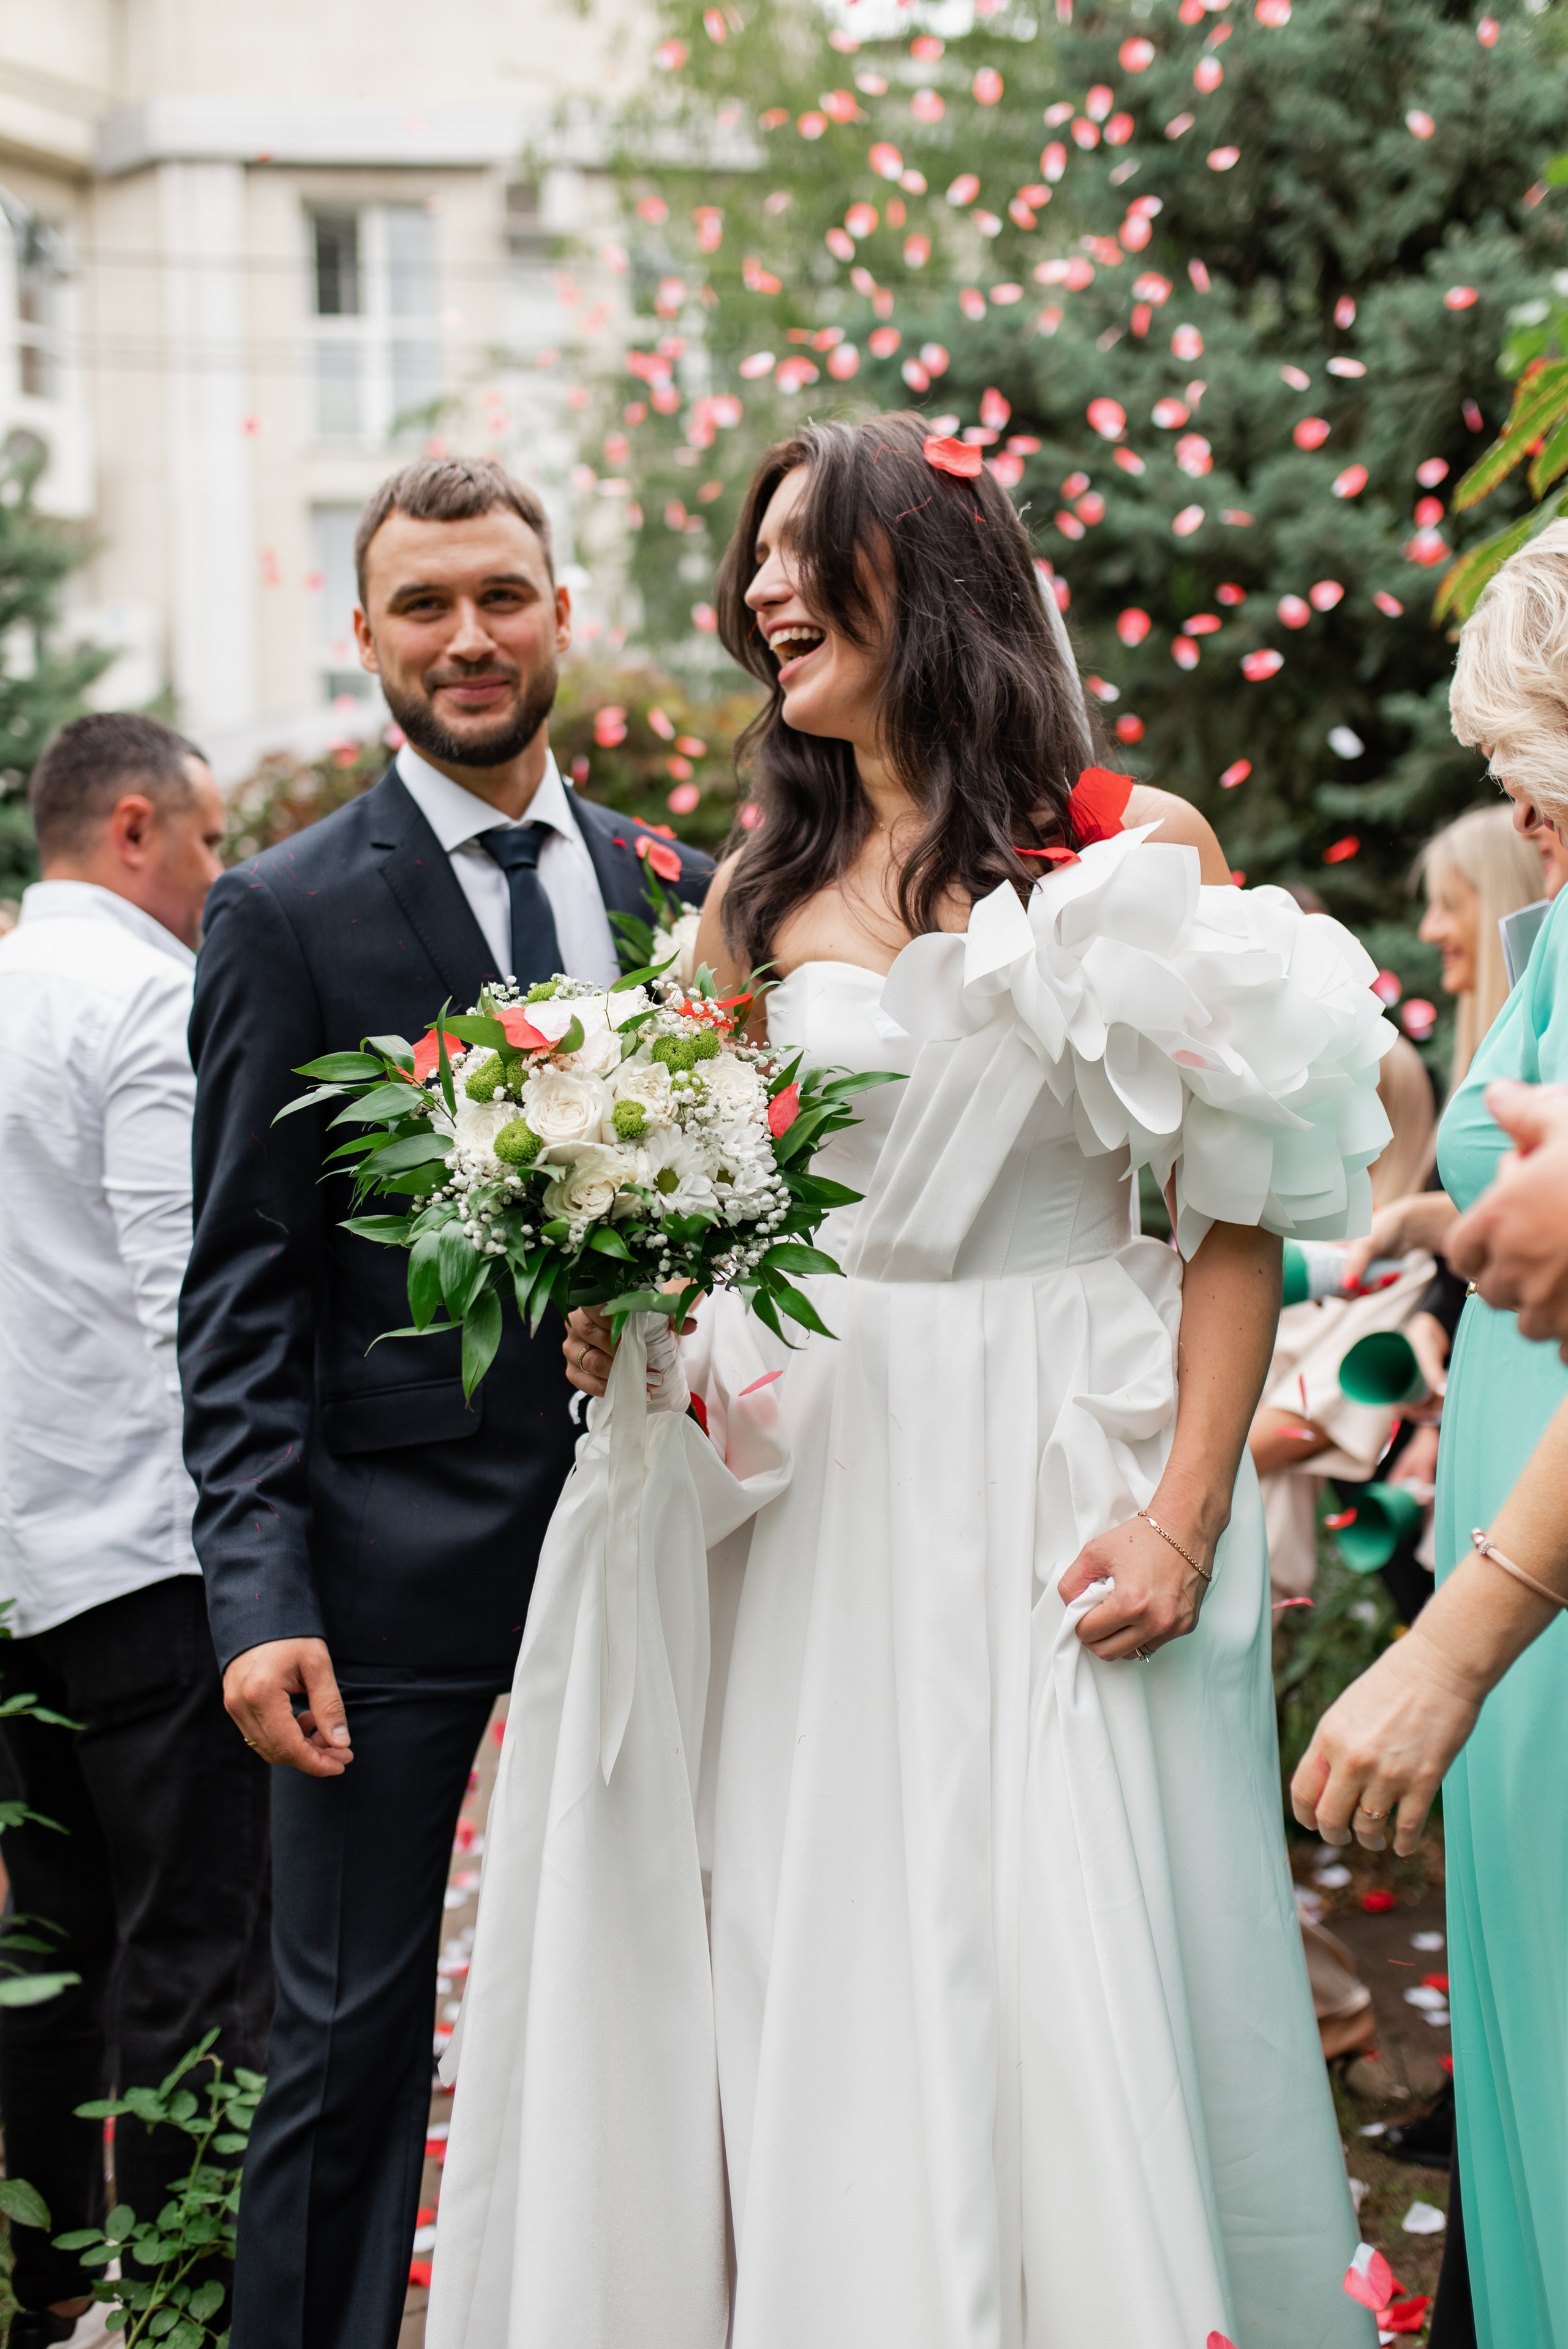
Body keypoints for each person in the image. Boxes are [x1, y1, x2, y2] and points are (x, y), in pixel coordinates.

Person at [431, 415, 1389, 2347]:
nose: (765, 587)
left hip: (1050, 1448)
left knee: (1050, 1942)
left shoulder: (1129, 851)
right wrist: (614, 1298)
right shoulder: (747, 901)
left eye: (810, 547)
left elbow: (1229, 1216)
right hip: (805, 1478)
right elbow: (684, 1214)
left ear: (928, 577)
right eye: (756, 558)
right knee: (815, 1926)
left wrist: (1185, 1513)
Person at [177, 457, 710, 2349]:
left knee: (681, 1974)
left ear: (563, 610)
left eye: (500, 594)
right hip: (381, 1578)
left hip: (671, 1531)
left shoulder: (687, 889)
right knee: (345, 2031)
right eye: (424, 605)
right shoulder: (284, 911)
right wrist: (261, 1597)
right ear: (367, 638)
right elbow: (235, 1290)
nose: (467, 637)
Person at [1292, 515, 1568, 2349]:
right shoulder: (1554, 924)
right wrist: (1429, 1224)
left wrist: (1458, 1641)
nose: (1503, 794)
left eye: (1525, 748)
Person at [0, 714, 271, 2348]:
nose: (216, 872)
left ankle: (36, 2301)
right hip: (152, 1556)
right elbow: (200, 1293)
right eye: (209, 838)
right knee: (190, 1953)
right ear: (131, 827)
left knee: (43, 1962)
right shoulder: (144, 1002)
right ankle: (178, 2302)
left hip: (20, 1568)